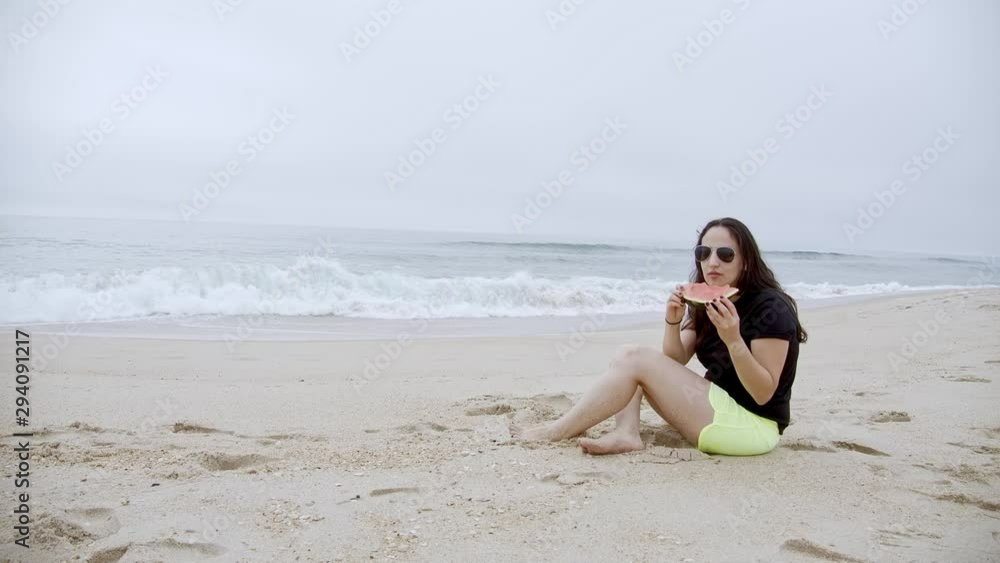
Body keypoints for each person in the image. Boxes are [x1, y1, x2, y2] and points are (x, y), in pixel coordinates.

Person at [515, 217, 808, 456]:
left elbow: (763, 392)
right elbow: (674, 360)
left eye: (725, 254)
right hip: (713, 410)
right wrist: (673, 321)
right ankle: (626, 433)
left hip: (753, 428)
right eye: (703, 253)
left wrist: (733, 340)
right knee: (627, 357)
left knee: (633, 358)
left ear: (745, 261)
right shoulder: (707, 302)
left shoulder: (771, 308)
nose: (712, 262)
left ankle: (559, 430)